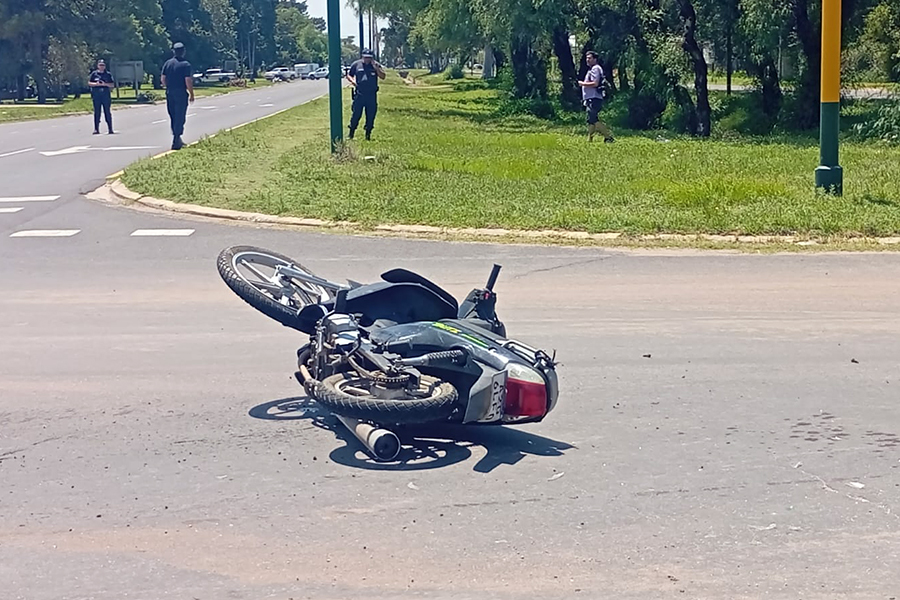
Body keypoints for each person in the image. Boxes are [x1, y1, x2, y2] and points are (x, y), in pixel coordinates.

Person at [161, 42, 195, 150]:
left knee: (173, 115)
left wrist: (168, 87)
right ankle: (176, 139)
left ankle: (176, 138)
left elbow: (163, 79)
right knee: (180, 116)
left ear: (174, 51)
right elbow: (187, 80)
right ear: (183, 51)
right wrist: (191, 93)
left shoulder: (167, 63)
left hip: (170, 92)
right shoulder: (185, 64)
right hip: (180, 92)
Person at [345, 49, 385, 140]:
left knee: (370, 115)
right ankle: (351, 134)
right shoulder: (356, 64)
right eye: (365, 57)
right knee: (356, 114)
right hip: (359, 94)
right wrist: (353, 81)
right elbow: (349, 75)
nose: (367, 59)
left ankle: (368, 134)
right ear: (362, 56)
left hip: (371, 95)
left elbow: (383, 76)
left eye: (369, 58)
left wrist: (376, 68)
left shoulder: (376, 65)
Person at [578, 51, 615, 143]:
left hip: (594, 98)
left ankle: (608, 137)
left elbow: (595, 83)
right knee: (591, 120)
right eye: (587, 58)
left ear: (595, 59)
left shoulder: (595, 69)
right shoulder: (592, 69)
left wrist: (582, 83)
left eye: (590, 58)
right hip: (591, 98)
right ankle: (589, 139)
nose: (587, 60)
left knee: (594, 119)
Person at [88, 60, 115, 135]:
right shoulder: (94, 74)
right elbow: (89, 83)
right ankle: (96, 129)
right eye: (100, 65)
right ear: (98, 66)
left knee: (107, 112)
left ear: (105, 66)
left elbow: (112, 85)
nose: (101, 66)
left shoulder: (108, 74)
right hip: (96, 96)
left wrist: (105, 84)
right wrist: (96, 84)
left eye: (103, 65)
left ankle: (110, 129)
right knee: (97, 112)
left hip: (105, 96)